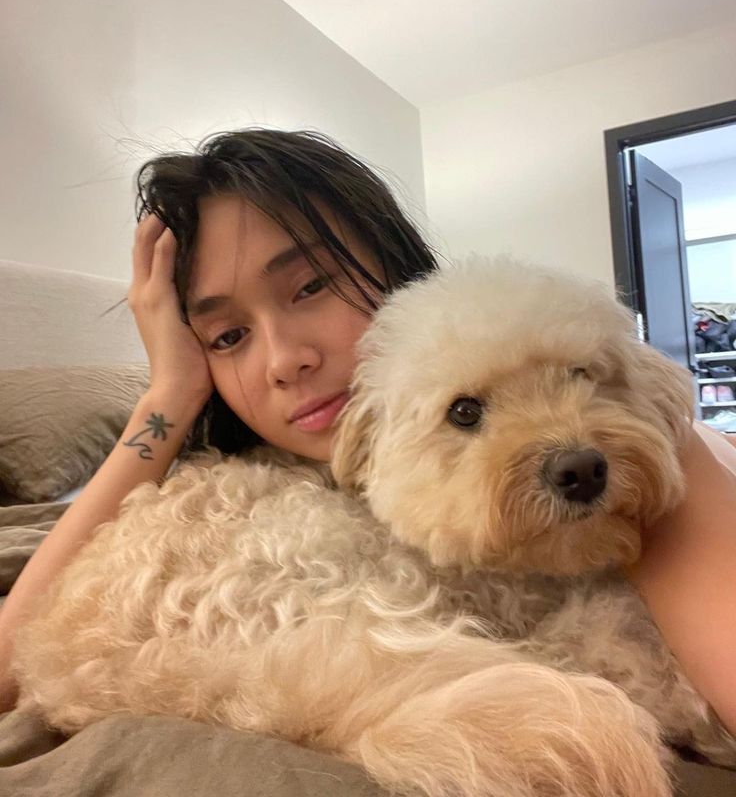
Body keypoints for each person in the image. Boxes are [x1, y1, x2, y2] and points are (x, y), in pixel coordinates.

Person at [0, 129, 735, 750]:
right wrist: (166, 398)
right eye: (226, 335)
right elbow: (12, 660)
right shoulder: (237, 495)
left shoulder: (629, 417)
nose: (285, 358)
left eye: (310, 286)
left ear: (391, 261)